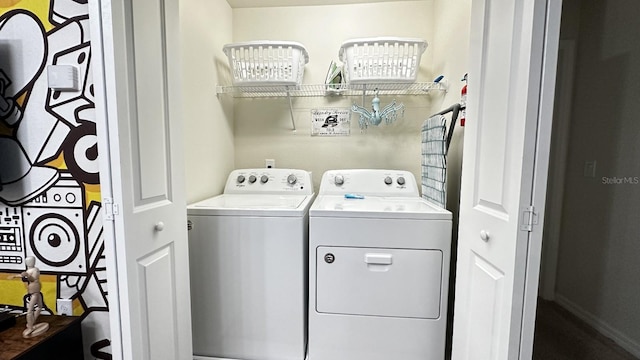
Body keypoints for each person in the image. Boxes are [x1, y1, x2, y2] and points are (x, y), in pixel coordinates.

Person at [7, 256, 49, 337]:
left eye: (30, 261)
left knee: (39, 307)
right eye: (28, 261)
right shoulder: (29, 270)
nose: (29, 263)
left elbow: (33, 278)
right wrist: (15, 276)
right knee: (30, 309)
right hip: (34, 290)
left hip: (36, 290)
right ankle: (30, 326)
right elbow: (26, 276)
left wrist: (26, 275)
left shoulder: (35, 270)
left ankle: (31, 323)